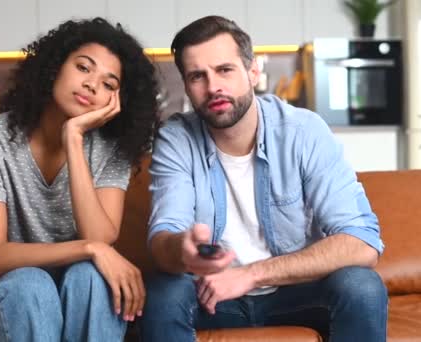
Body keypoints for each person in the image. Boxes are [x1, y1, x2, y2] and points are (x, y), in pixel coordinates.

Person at [140, 15, 387, 342]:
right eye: (198, 76)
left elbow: (362, 242)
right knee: (163, 292)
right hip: (211, 295)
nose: (213, 86)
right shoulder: (176, 139)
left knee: (362, 287)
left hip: (295, 294)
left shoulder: (304, 131)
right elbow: (163, 238)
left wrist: (251, 275)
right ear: (186, 85)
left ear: (252, 71)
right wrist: (181, 250)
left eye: (224, 70)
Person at [0, 18, 158, 342]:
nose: (93, 85)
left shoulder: (113, 149)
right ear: (55, 66)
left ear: (117, 100)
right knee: (31, 284)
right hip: (14, 292)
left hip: (81, 289)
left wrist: (74, 137)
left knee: (91, 279)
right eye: (84, 68)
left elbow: (100, 235)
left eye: (109, 84)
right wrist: (90, 249)